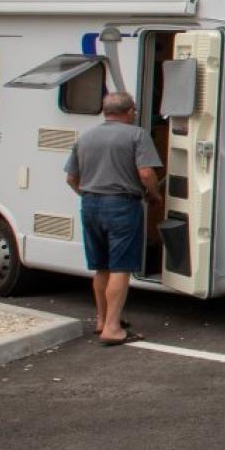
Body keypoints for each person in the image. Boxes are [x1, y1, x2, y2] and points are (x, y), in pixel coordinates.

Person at [63, 91, 163, 344]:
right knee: (121, 267)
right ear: (130, 112)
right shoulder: (137, 135)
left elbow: (71, 178)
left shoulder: (85, 137)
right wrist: (154, 195)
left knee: (101, 267)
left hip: (90, 204)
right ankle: (112, 329)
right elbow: (146, 174)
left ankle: (101, 319)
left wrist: (87, 194)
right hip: (122, 205)